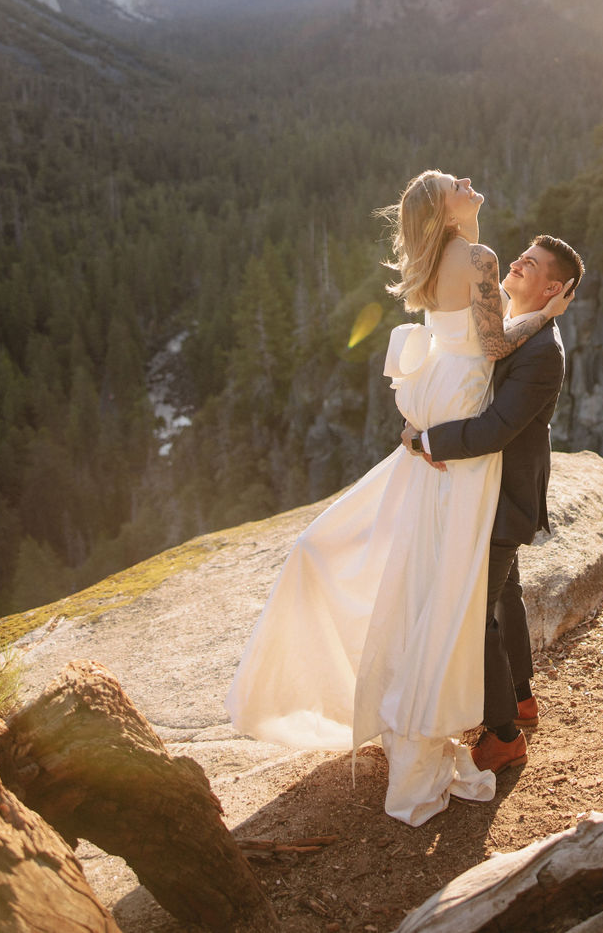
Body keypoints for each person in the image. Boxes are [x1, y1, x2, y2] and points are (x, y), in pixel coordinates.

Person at [225, 170, 573, 827]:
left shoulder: (438, 261)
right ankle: (491, 719)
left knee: (487, 586)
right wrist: (543, 317)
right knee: (466, 595)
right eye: (456, 182)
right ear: (446, 207)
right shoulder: (479, 259)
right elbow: (496, 345)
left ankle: (511, 702)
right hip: (462, 432)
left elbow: (473, 340)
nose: (470, 180)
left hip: (447, 405)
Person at [400, 234, 584, 777]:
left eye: (532, 263)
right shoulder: (505, 323)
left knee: (471, 611)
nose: (519, 261)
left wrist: (424, 441)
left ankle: (503, 735)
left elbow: (496, 428)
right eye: (522, 254)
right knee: (505, 593)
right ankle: (521, 700)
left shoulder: (544, 352)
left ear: (554, 288)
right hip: (489, 488)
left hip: (504, 495)